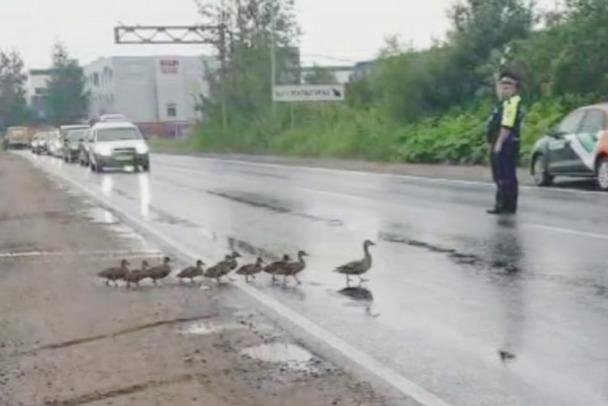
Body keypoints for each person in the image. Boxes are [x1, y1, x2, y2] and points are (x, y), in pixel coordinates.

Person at [486, 72, 523, 215]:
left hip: (507, 143)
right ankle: (502, 203)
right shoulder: (504, 102)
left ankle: (506, 206)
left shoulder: (512, 104)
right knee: (499, 175)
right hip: (499, 142)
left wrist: (499, 143)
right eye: (502, 85)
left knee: (505, 175)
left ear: (515, 88)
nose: (503, 88)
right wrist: (496, 80)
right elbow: (498, 93)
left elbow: (507, 125)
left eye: (508, 85)